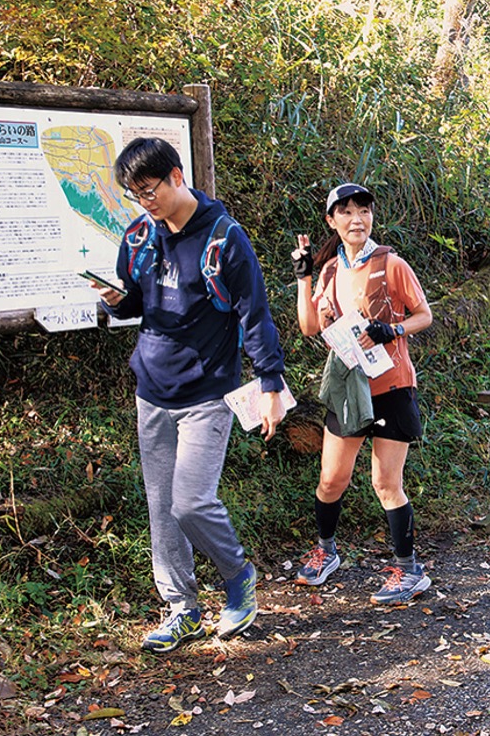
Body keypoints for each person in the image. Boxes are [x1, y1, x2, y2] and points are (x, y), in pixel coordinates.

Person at [91, 137, 286, 653]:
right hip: (152, 390)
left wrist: (270, 384)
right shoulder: (139, 236)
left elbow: (255, 315)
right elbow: (139, 302)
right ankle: (182, 609)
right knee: (161, 508)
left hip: (207, 391)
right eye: (134, 193)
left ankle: (238, 574)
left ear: (177, 176)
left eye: (149, 188)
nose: (144, 201)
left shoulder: (225, 239)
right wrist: (118, 300)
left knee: (191, 502)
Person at [290, 183, 434, 605]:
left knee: (386, 482)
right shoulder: (331, 270)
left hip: (390, 385)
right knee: (331, 479)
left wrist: (393, 329)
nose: (357, 219)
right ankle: (326, 551)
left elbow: (424, 315)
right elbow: (310, 327)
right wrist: (303, 279)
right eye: (347, 212)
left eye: (364, 211)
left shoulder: (391, 264)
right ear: (331, 221)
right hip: (349, 386)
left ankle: (408, 571)